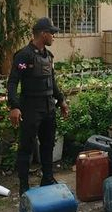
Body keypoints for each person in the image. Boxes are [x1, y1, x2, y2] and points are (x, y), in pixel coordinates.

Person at [7, 17, 69, 195]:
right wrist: (14, 106)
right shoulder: (24, 56)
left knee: (48, 145)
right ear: (43, 34)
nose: (54, 37)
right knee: (26, 148)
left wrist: (62, 100)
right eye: (52, 33)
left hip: (49, 107)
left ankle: (47, 178)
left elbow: (52, 82)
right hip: (31, 107)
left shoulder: (48, 57)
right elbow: (13, 82)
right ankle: (24, 186)